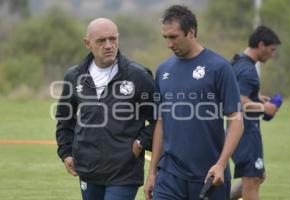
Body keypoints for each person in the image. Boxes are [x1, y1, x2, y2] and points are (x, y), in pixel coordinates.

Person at [144, 5, 244, 200]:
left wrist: (221, 164)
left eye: (173, 37)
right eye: (165, 37)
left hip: (209, 174)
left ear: (192, 32)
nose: (169, 43)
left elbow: (236, 118)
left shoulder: (219, 67)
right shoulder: (163, 70)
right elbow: (161, 123)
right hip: (169, 175)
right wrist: (152, 172)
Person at [55, 18, 155, 200]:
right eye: (101, 41)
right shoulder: (74, 76)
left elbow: (159, 118)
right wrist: (66, 152)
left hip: (124, 171)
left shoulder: (138, 75)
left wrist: (141, 142)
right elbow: (64, 118)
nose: (108, 45)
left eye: (112, 39)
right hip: (88, 169)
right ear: (87, 43)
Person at [230, 25, 281, 200]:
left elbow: (237, 92)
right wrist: (264, 108)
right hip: (245, 132)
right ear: (261, 45)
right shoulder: (248, 71)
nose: (272, 54)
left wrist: (257, 98)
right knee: (252, 180)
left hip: (236, 130)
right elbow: (239, 101)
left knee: (257, 176)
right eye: (272, 49)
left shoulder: (238, 62)